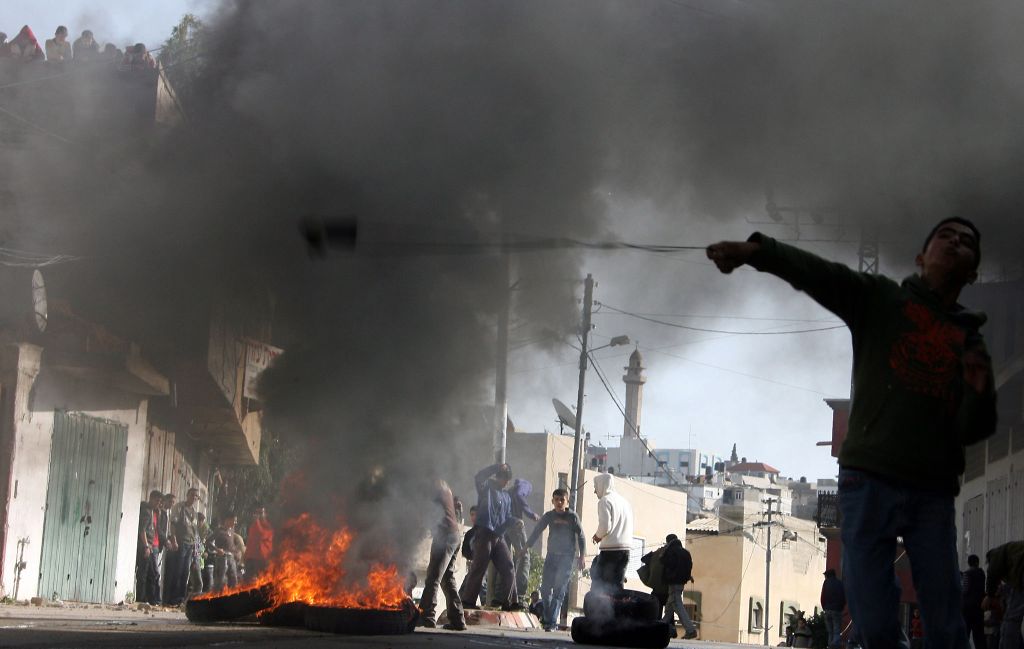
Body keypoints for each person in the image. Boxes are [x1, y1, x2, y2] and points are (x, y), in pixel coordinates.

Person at [708, 217, 998, 648]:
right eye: (945, 237)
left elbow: (976, 428)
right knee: (872, 619)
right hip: (869, 480)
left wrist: (977, 392)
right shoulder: (882, 300)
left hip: (931, 492)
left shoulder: (969, 342)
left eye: (966, 243)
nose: (955, 244)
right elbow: (820, 274)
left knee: (946, 622)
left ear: (973, 272)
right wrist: (757, 252)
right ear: (921, 257)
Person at [525, 487, 586, 631]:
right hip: (551, 556)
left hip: (566, 558)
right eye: (556, 500)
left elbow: (581, 536)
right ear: (552, 501)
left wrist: (582, 556)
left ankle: (550, 623)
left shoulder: (572, 517)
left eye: (562, 500)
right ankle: (549, 619)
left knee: (559, 591)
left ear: (567, 501)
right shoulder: (549, 516)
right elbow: (537, 530)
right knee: (545, 590)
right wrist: (526, 547)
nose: (559, 503)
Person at [458, 463, 517, 610]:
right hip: (484, 533)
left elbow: (507, 516)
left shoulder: (507, 496)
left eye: (508, 479)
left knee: (508, 566)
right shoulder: (486, 488)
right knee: (479, 567)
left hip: (498, 536)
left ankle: (510, 602)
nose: (506, 482)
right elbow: (478, 477)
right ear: (498, 477)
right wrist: (497, 467)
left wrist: (515, 521)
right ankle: (468, 601)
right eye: (504, 478)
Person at [418, 479, 467, 631]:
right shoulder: (445, 486)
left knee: (433, 577)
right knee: (447, 578)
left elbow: (425, 511)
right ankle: (458, 620)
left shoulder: (434, 486)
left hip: (444, 537)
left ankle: (426, 616)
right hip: (454, 536)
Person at [590, 472, 634, 594]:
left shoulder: (604, 501)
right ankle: (617, 611)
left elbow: (605, 526)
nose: (595, 491)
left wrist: (597, 536)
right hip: (625, 551)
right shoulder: (625, 502)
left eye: (595, 487)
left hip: (610, 551)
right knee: (617, 586)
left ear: (602, 485)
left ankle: (599, 612)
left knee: (600, 587)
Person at [506, 478, 541, 605]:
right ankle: (520, 595)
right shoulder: (525, 485)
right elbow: (519, 496)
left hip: (504, 525)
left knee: (507, 559)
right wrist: (531, 514)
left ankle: (504, 594)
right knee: (524, 556)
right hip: (515, 524)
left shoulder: (509, 490)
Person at [166, 488, 201, 605]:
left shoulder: (195, 512)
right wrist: (174, 539)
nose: (194, 498)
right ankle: (172, 599)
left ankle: (180, 599)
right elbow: (173, 524)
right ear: (187, 495)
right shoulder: (179, 507)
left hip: (190, 545)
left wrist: (196, 549)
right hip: (180, 544)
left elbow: (195, 532)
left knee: (185, 573)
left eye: (196, 496)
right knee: (177, 571)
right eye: (192, 495)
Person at [986, 542, 1024, 649]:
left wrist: (990, 596)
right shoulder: (1012, 555)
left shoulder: (995, 555)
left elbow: (992, 574)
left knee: (1012, 619)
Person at [661, 534, 698, 639]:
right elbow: (689, 567)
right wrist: (687, 577)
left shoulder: (670, 551)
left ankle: (690, 630)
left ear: (668, 542)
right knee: (669, 607)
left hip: (673, 582)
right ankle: (661, 628)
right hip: (681, 583)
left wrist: (664, 552)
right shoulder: (686, 552)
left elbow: (664, 562)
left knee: (677, 604)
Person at [135, 489, 163, 605]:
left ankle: (147, 598)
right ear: (151, 498)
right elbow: (142, 530)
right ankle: (141, 599)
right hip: (145, 547)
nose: (158, 503)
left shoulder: (153, 511)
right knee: (143, 573)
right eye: (157, 500)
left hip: (150, 546)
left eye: (159, 501)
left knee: (151, 573)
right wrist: (146, 546)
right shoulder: (147, 511)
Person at [209, 513, 241, 592]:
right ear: (228, 520)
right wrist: (217, 549)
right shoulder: (219, 530)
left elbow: (231, 545)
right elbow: (208, 542)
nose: (235, 522)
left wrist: (236, 551)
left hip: (231, 559)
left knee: (233, 580)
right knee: (220, 581)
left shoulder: (231, 530)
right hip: (222, 559)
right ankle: (214, 598)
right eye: (234, 520)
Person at [244, 505, 274, 581]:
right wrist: (246, 555)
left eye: (261, 513)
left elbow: (262, 535)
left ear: (265, 514)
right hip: (250, 558)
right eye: (256, 513)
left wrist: (257, 521)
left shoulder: (269, 526)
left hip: (262, 559)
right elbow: (250, 541)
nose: (258, 515)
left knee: (262, 581)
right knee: (248, 582)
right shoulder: (252, 525)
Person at [964, 554, 987, 649]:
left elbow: (965, 590)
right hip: (979, 608)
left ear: (969, 563)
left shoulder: (967, 574)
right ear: (977, 562)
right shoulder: (982, 574)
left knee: (965, 634)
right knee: (979, 636)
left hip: (967, 608)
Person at [821, 568, 847, 648]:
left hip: (827, 609)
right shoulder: (840, 583)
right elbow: (843, 597)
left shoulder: (826, 583)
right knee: (836, 631)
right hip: (837, 610)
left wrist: (824, 608)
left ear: (827, 575)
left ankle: (830, 646)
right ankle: (834, 645)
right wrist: (841, 608)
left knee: (830, 632)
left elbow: (823, 597)